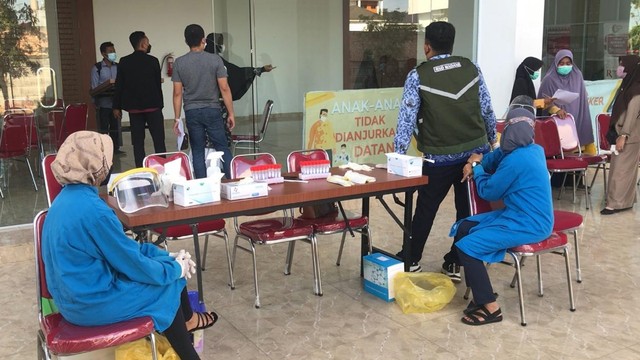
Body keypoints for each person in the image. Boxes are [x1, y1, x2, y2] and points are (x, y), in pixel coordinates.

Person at [42, 131, 218, 360]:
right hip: (91, 305)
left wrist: (166, 256)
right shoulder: (95, 211)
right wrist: (174, 268)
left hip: (72, 301)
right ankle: (189, 347)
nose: (111, 165)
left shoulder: (64, 201)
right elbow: (131, 263)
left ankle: (189, 323)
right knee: (168, 285)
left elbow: (123, 249)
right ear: (96, 166)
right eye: (108, 160)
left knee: (167, 272)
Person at [393, 21, 498, 279]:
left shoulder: (419, 75)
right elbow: (486, 107)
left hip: (437, 157)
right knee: (467, 210)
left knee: (426, 209)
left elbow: (407, 119)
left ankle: (411, 259)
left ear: (427, 46)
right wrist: (492, 141)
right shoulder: (471, 68)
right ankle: (455, 261)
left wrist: (397, 154)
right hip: (474, 154)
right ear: (452, 44)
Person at [454, 108, 553, 326]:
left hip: (529, 223)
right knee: (464, 228)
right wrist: (479, 160)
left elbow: (488, 192)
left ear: (508, 131)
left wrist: (476, 167)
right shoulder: (532, 148)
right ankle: (479, 295)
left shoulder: (517, 161)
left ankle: (490, 307)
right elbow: (495, 157)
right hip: (517, 214)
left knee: (466, 246)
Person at [172, 24, 235, 179]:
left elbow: (177, 93)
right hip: (213, 110)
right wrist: (231, 113)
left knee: (198, 150)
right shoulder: (215, 60)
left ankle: (202, 186)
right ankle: (232, 181)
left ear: (186, 41)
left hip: (192, 111)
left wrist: (177, 118)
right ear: (203, 40)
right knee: (222, 147)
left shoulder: (179, 63)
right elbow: (224, 88)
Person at [113, 31, 166, 167]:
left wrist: (116, 106)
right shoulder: (153, 61)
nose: (149, 45)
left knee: (137, 142)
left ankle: (140, 168)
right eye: (147, 43)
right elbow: (156, 84)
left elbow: (119, 85)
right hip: (153, 106)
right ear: (143, 44)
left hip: (134, 109)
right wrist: (160, 104)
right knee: (159, 140)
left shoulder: (124, 62)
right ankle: (162, 165)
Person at [601, 54, 640, 215]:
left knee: (621, 170)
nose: (620, 68)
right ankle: (625, 201)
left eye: (622, 64)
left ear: (630, 67)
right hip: (625, 134)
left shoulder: (636, 90)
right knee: (625, 169)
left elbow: (631, 115)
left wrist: (623, 135)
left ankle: (615, 204)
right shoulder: (628, 86)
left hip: (629, 136)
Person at [538, 49, 596, 154]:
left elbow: (582, 100)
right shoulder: (549, 79)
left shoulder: (577, 76)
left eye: (568, 63)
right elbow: (540, 103)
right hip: (558, 123)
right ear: (556, 63)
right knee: (561, 155)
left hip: (578, 119)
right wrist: (556, 110)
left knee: (579, 158)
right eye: (562, 63)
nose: (565, 66)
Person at [90, 41, 124, 155]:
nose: (113, 53)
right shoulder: (97, 68)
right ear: (103, 53)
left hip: (116, 103)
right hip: (103, 103)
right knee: (104, 127)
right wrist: (95, 102)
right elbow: (94, 87)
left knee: (116, 126)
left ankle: (116, 147)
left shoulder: (119, 67)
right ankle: (104, 149)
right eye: (110, 51)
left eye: (114, 51)